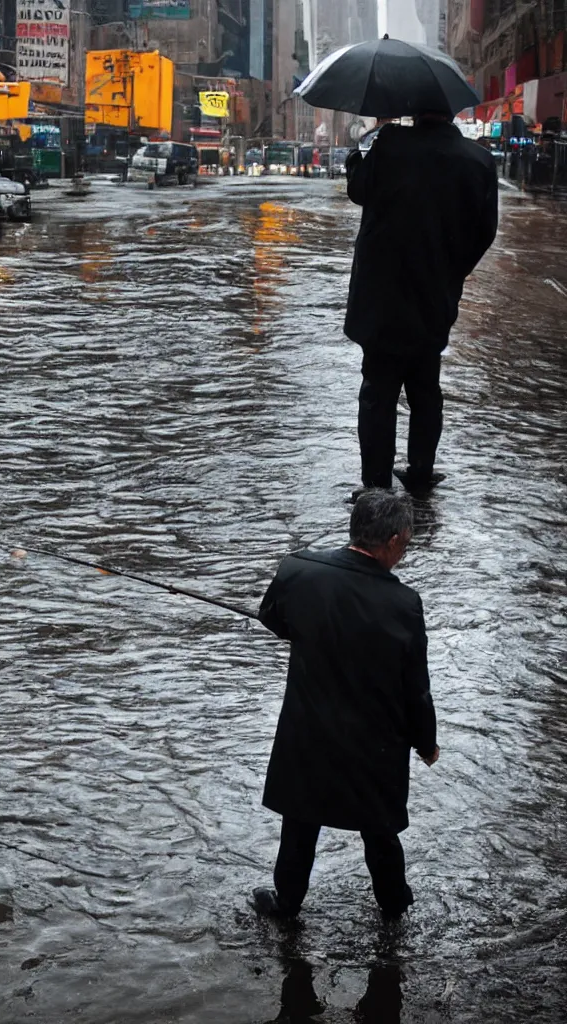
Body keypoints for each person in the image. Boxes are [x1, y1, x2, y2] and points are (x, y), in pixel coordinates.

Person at [252, 489, 439, 920]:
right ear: (392, 542)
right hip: (372, 747)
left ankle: (286, 905)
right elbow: (417, 687)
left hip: (307, 733)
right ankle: (394, 910)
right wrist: (425, 742)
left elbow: (272, 618)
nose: (404, 555)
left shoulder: (298, 569)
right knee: (380, 832)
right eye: (406, 546)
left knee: (299, 824)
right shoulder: (403, 604)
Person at [344, 112, 499, 496]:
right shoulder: (478, 161)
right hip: (435, 296)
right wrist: (451, 272)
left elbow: (358, 190)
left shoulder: (391, 145)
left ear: (417, 110)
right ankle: (421, 472)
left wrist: (357, 152)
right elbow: (485, 232)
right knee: (425, 387)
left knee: (378, 391)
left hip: (382, 295)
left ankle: (377, 485)